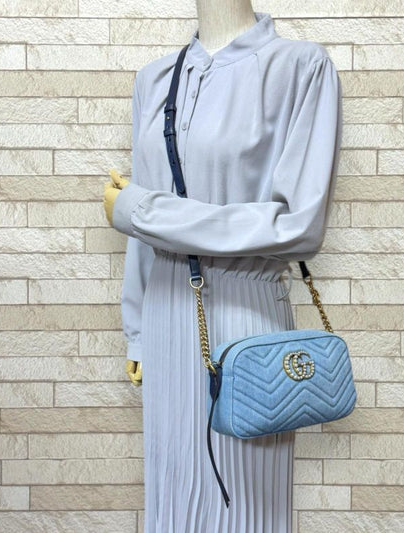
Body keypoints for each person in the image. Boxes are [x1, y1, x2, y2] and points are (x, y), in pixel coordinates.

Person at [103, 7, 342, 533]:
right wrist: (137, 330)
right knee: (173, 498)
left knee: (247, 505)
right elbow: (146, 232)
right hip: (165, 316)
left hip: (246, 314)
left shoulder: (300, 67)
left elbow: (299, 226)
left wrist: (142, 212)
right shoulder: (155, 80)